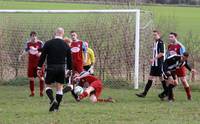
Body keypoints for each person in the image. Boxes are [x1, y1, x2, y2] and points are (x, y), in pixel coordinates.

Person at [37, 27, 72, 112]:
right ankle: (56, 108)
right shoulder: (66, 45)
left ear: (55, 33)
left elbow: (43, 56)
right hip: (61, 68)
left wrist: (39, 67)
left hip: (51, 67)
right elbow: (70, 58)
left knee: (47, 85)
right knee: (59, 88)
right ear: (62, 34)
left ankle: (53, 100)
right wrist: (69, 69)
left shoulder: (48, 43)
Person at [136, 30, 167, 98]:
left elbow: (161, 53)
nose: (154, 36)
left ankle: (167, 93)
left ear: (159, 34)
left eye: (155, 35)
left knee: (162, 78)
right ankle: (144, 93)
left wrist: (154, 59)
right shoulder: (155, 43)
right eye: (153, 35)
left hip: (159, 64)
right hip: (154, 64)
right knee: (150, 78)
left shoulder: (160, 42)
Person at [166, 32, 193, 100]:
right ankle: (171, 97)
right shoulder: (169, 46)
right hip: (172, 67)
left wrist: (189, 68)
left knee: (183, 80)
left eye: (172, 37)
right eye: (169, 37)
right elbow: (168, 56)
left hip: (180, 66)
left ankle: (189, 96)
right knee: (171, 81)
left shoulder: (180, 46)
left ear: (175, 37)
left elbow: (184, 58)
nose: (170, 38)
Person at [18, 31, 44, 97]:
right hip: (31, 63)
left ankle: (41, 92)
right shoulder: (28, 43)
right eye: (32, 36)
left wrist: (40, 54)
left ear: (36, 36)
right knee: (31, 78)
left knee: (41, 78)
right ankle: (32, 92)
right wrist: (21, 56)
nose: (34, 37)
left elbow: (43, 52)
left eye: (35, 36)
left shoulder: (40, 43)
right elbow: (25, 51)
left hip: (39, 63)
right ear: (30, 37)